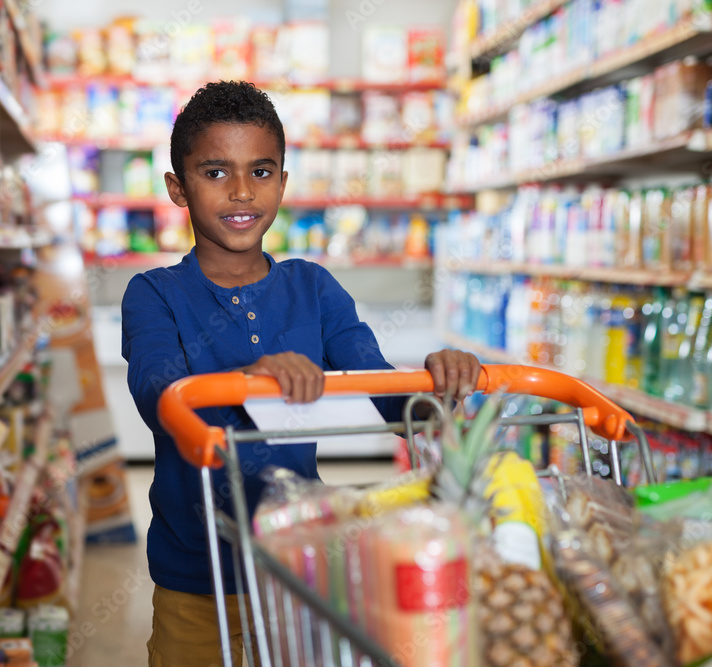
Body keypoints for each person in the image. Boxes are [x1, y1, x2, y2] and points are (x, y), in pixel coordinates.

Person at [121, 80, 480, 666]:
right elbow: (158, 393)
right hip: (195, 573)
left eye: (261, 172)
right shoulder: (153, 294)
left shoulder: (313, 287)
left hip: (297, 567)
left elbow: (384, 393)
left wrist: (441, 382)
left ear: (283, 183)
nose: (241, 191)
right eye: (215, 173)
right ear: (177, 188)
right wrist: (252, 377)